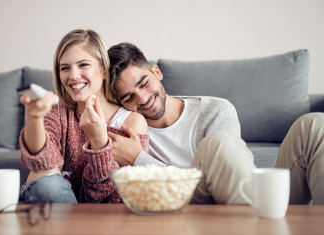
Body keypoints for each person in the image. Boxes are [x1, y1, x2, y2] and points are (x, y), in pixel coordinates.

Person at [107, 42, 324, 205]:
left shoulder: (215, 110)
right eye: (128, 98)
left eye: (144, 84)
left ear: (157, 72)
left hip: (249, 200)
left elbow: (228, 174)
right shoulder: (129, 131)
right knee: (219, 143)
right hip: (201, 207)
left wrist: (138, 159)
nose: (142, 99)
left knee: (314, 126)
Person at [19, 30, 149, 204]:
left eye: (83, 65)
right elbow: (41, 166)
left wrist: (99, 141)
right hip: (61, 213)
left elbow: (122, 199)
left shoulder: (132, 122)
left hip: (109, 220)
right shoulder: (57, 113)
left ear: (103, 70)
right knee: (44, 177)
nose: (73, 76)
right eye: (65, 68)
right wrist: (33, 118)